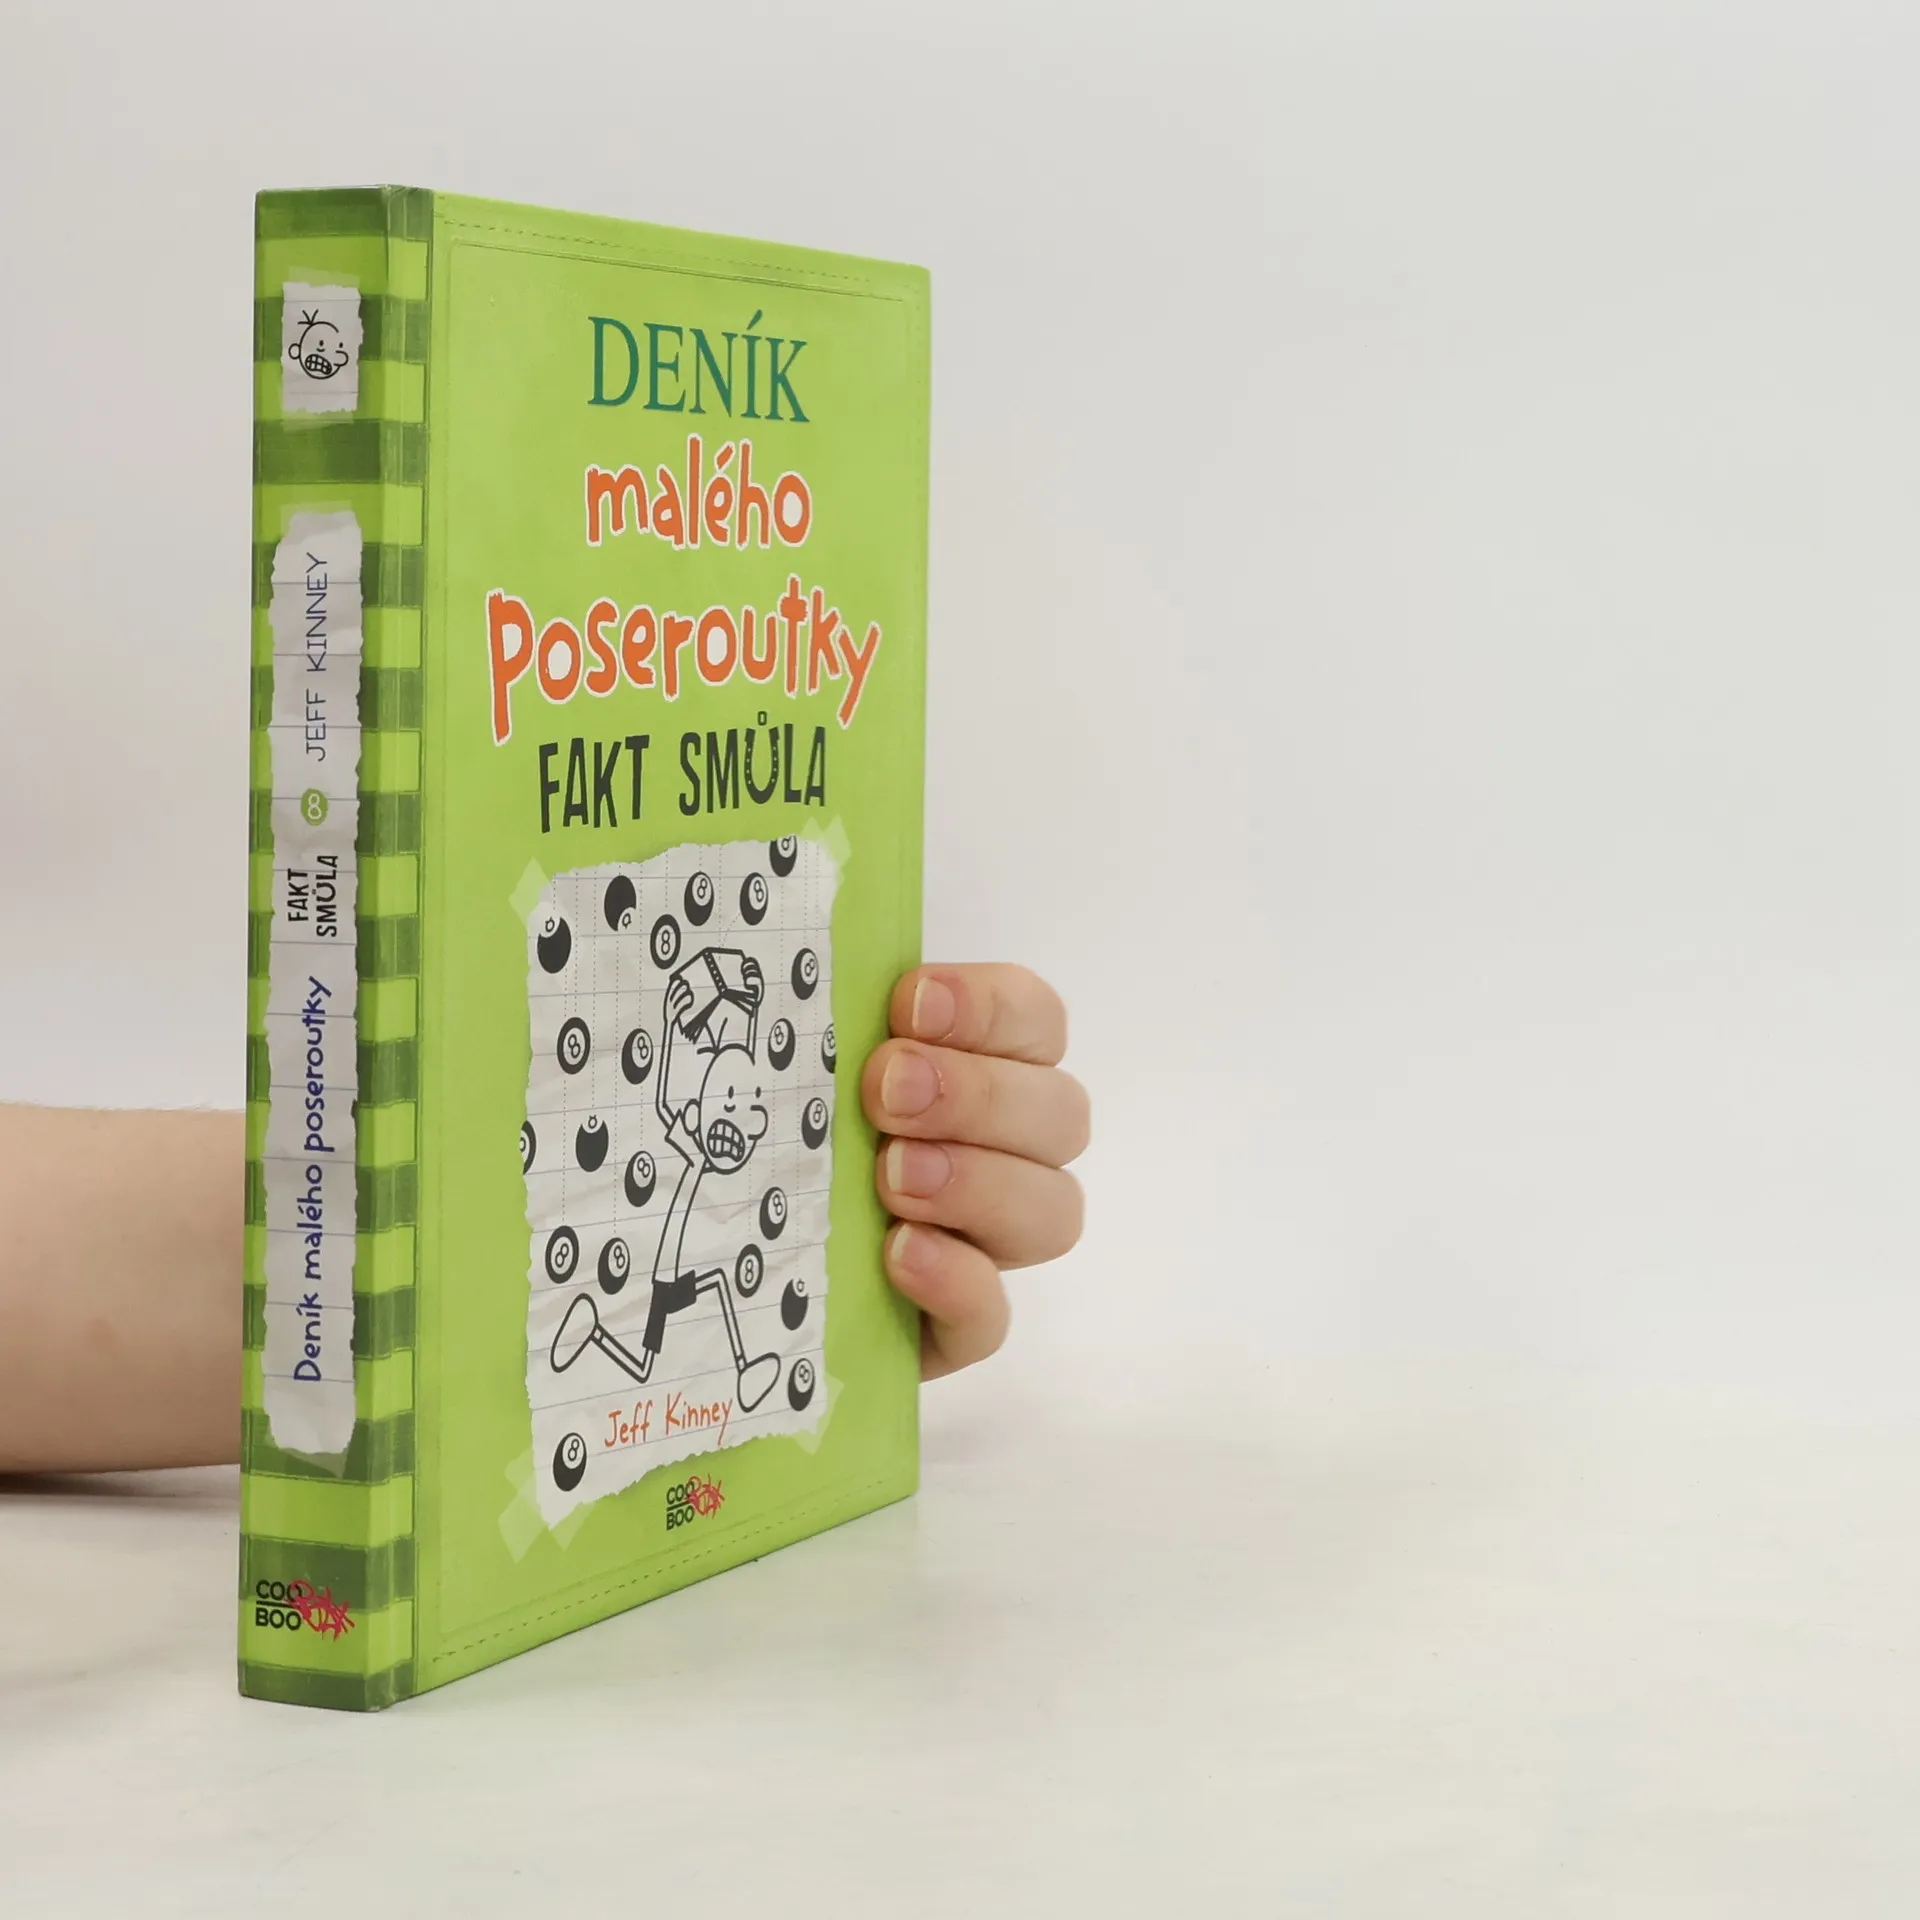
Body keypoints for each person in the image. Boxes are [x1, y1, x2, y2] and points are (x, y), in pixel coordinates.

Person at [0, 962, 1087, 1474]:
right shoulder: (681, 1142)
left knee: (675, 1322)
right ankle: (594, 1332)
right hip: (670, 1255)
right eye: (725, 1090)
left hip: (647, 1254)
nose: (741, 1107)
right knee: (675, 1315)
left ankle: (601, 1333)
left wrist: (422, 1228)